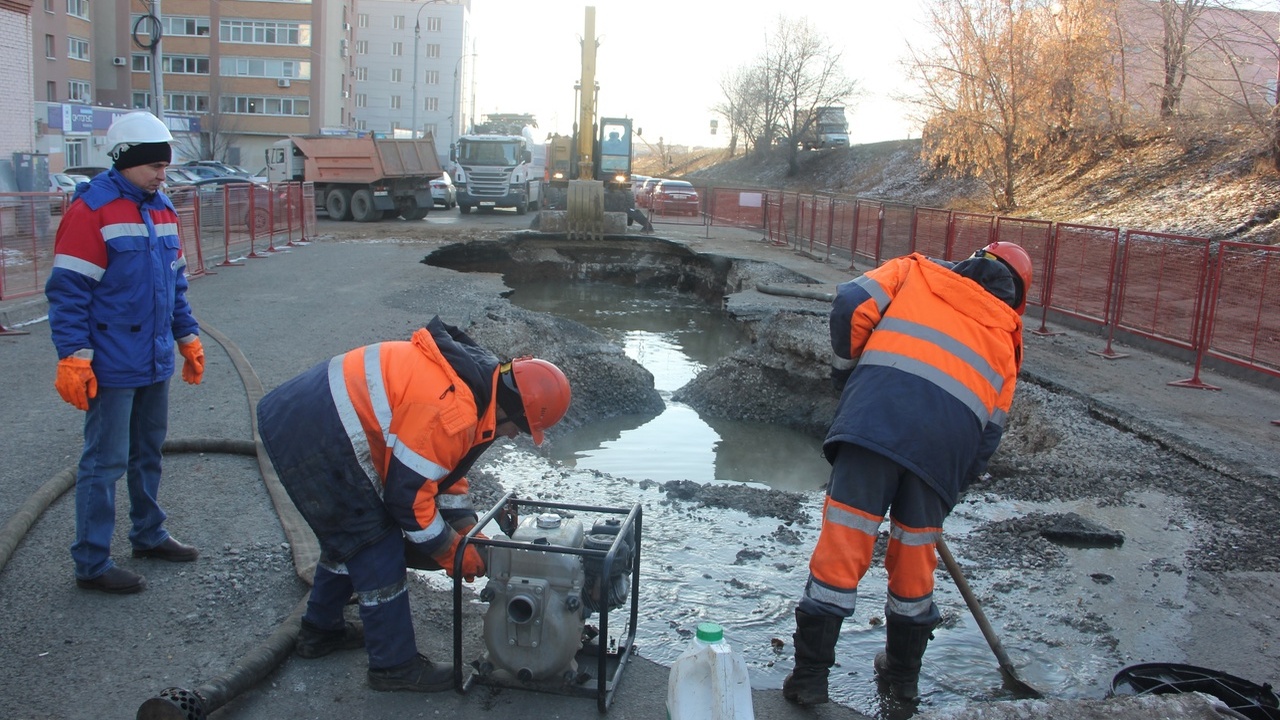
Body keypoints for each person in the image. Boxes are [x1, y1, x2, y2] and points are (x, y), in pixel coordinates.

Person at [255, 317, 571, 693]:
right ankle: (394, 667)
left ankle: (320, 631)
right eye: (521, 427)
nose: (516, 434)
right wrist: (452, 552)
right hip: (315, 433)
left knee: (351, 535)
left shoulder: (479, 384)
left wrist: (466, 525)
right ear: (514, 410)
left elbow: (440, 470)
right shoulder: (452, 411)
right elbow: (407, 502)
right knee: (374, 539)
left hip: (313, 415)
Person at [783, 242, 1034, 706]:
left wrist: (848, 374)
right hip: (942, 456)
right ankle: (903, 682)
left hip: (873, 426)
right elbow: (989, 432)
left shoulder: (914, 272)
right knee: (915, 570)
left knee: (842, 552)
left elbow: (851, 302)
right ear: (1016, 296)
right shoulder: (1007, 336)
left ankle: (810, 680)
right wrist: (948, 485)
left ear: (968, 262)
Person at [45, 110, 206, 595]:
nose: (163, 174)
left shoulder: (161, 209)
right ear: (125, 160)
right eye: (154, 165)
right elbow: (69, 290)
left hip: (153, 356)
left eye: (165, 165)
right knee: (104, 461)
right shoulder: (92, 211)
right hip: (112, 361)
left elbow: (174, 285)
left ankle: (148, 534)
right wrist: (74, 353)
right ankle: (92, 562)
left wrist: (187, 336)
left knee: (147, 452)